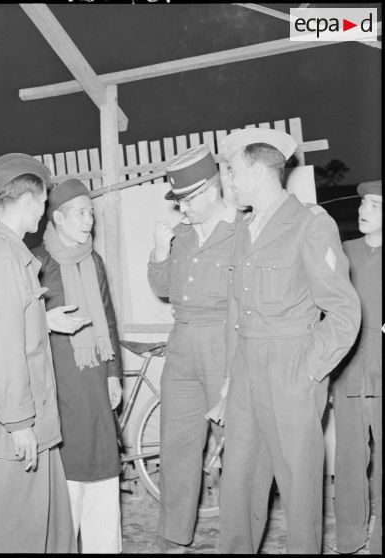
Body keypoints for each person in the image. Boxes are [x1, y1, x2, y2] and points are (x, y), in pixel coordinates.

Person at [218, 128, 361, 554]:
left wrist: (309, 371)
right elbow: (236, 311)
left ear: (259, 172)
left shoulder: (309, 223)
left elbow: (344, 310)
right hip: (246, 369)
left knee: (299, 491)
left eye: (233, 171)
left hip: (291, 366)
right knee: (237, 484)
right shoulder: (245, 227)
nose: (230, 180)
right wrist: (229, 378)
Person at [0, 153, 87, 553]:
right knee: (21, 533)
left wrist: (43, 321)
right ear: (29, 200)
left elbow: (3, 324)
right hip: (15, 418)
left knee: (48, 525)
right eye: (44, 202)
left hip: (25, 414)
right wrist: (19, 423)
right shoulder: (2, 258)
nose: (44, 211)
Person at [146, 144, 238, 552]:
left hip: (224, 343)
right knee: (177, 447)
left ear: (211, 191)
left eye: (186, 200)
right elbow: (163, 288)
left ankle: (238, 539)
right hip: (181, 345)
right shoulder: (181, 235)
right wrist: (159, 251)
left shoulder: (241, 230)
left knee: (236, 446)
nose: (181, 209)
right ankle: (173, 537)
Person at [33, 178, 123, 553]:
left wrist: (114, 374)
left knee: (103, 466)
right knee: (68, 474)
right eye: (82, 214)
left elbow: (108, 318)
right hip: (59, 385)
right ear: (58, 217)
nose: (90, 221)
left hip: (96, 380)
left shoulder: (94, 261)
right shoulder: (37, 263)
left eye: (91, 213)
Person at [332, 179, 382, 554]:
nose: (364, 210)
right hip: (349, 365)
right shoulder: (346, 251)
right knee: (349, 457)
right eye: (364, 203)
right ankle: (350, 538)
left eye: (375, 206)